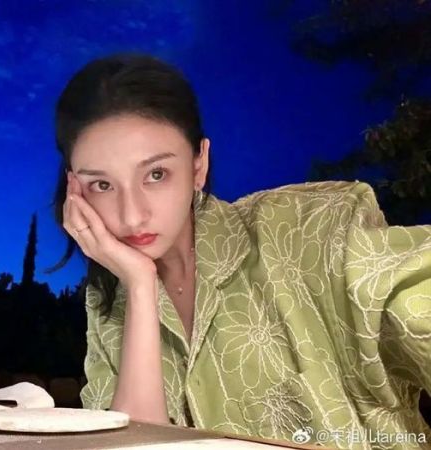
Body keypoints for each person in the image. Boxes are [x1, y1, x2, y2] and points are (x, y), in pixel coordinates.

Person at [45, 53, 431, 449]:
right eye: (102, 185)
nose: (131, 215)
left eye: (156, 174)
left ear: (199, 165)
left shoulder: (311, 231)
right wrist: (140, 285)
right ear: (77, 189)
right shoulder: (111, 298)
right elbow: (133, 445)